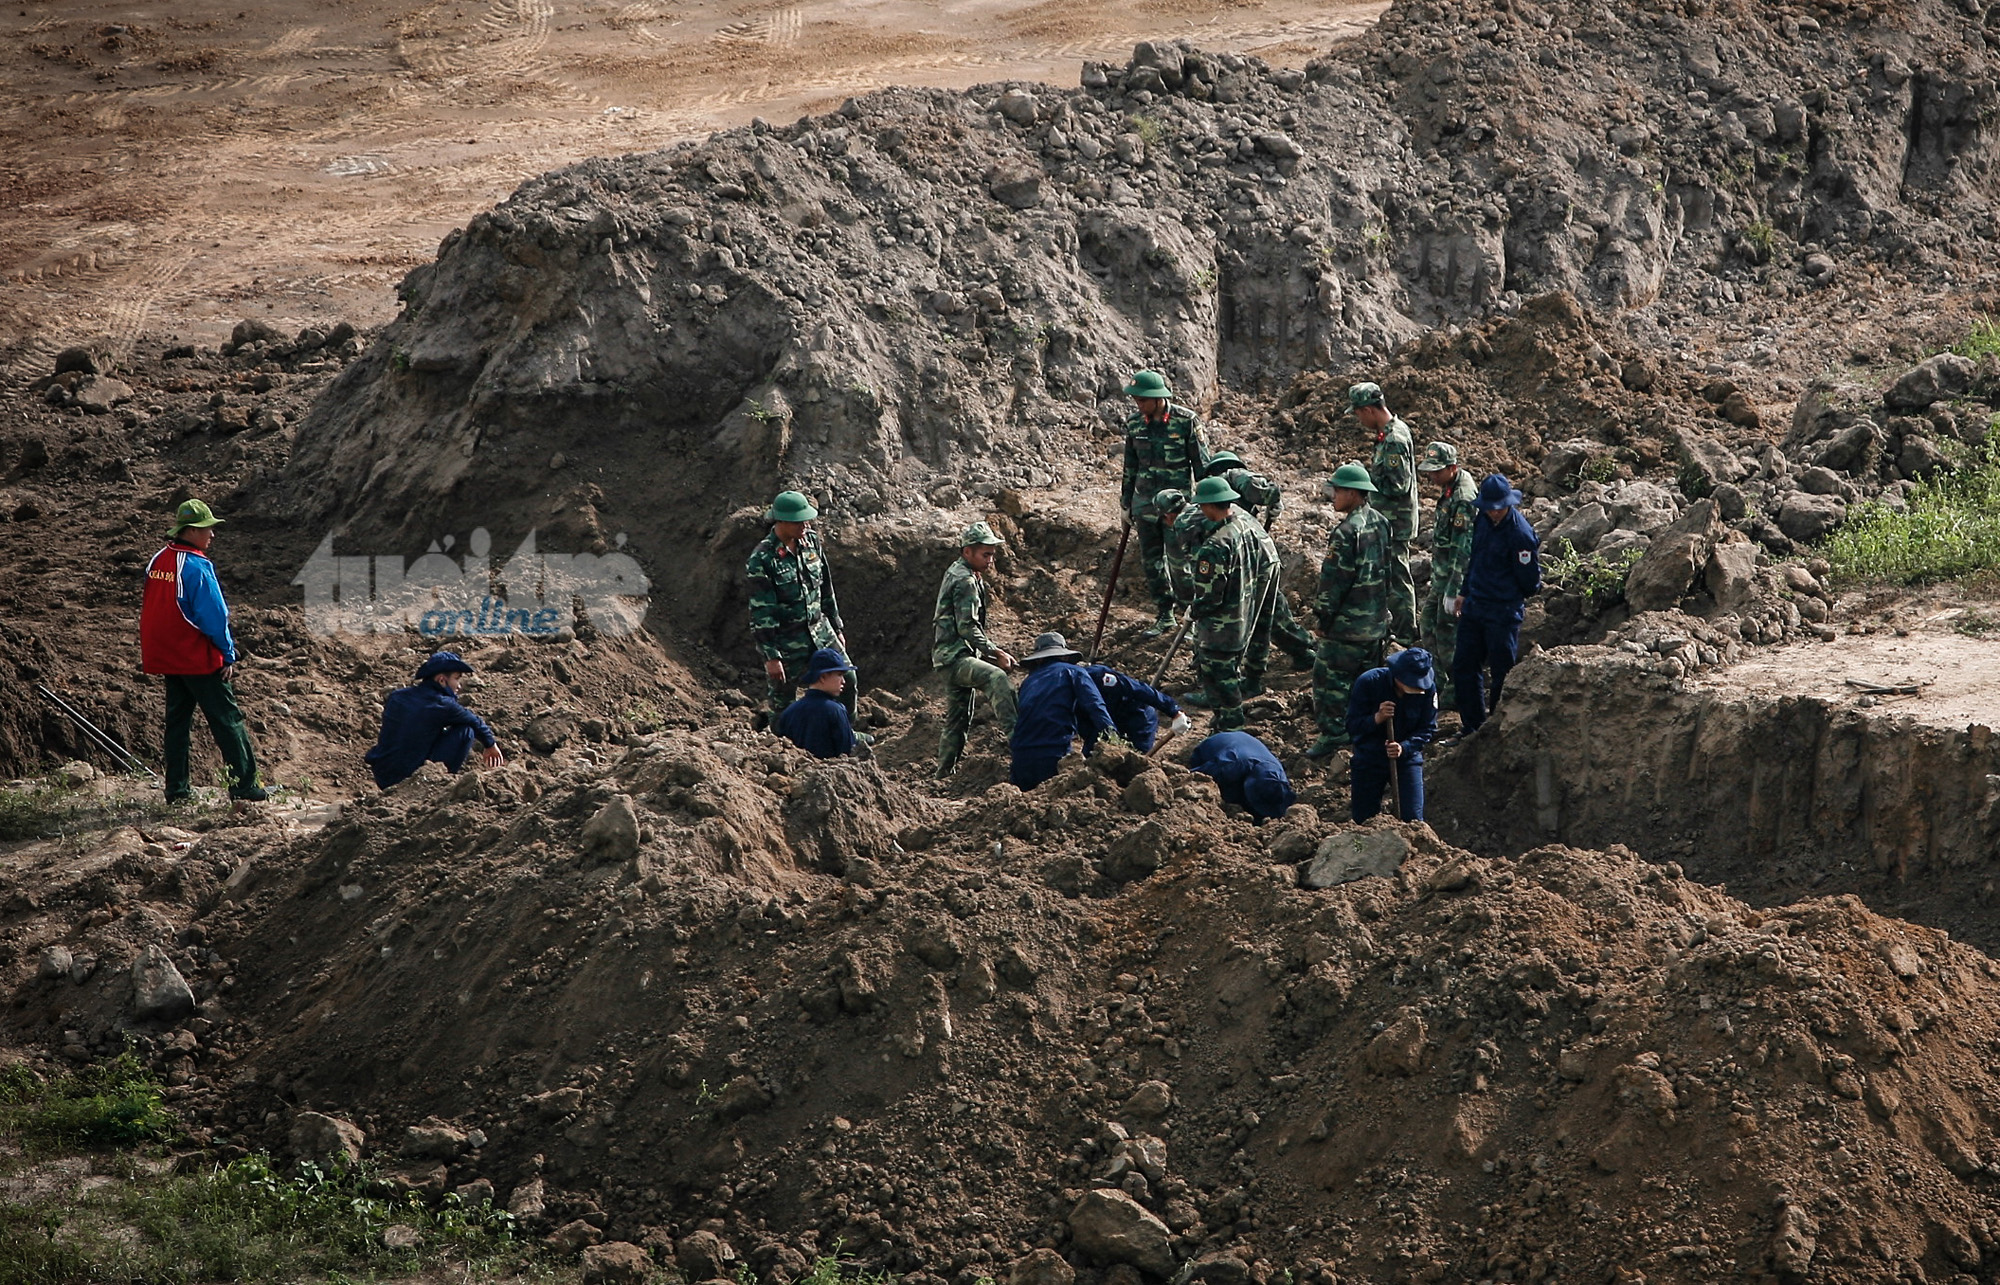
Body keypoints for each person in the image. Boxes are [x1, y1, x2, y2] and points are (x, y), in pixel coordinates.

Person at [140, 499, 267, 803]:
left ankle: (177, 791)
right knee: (227, 720)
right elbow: (215, 615)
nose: (212, 534)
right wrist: (227, 653)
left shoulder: (159, 560)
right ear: (192, 530)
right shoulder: (196, 566)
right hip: (197, 657)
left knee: (177, 724)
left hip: (168, 657)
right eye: (208, 528)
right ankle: (245, 788)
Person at [746, 490, 853, 728]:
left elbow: (826, 586)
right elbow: (761, 612)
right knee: (783, 701)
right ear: (781, 521)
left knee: (848, 679)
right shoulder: (762, 559)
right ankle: (783, 748)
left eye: (806, 520)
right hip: (787, 639)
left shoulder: (811, 541)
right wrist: (771, 656)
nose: (805, 525)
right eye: (798, 521)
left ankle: (843, 733)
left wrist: (836, 626)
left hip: (820, 629)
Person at [1306, 464, 1391, 760]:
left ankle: (1334, 734)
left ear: (1354, 494)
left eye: (1339, 490)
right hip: (1374, 623)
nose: (1333, 496)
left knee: (1329, 682)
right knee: (1366, 682)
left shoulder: (1344, 533)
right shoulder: (1381, 523)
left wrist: (1322, 619)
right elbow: (1387, 572)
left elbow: (1333, 583)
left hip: (1346, 627)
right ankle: (1366, 729)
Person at [1120, 370, 1211, 637]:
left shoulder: (1186, 422)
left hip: (1177, 508)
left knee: (1180, 563)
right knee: (1152, 563)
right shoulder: (1135, 424)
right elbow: (1130, 466)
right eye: (1136, 400)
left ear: (1159, 398)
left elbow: (1202, 466)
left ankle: (1190, 619)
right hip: (1144, 505)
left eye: (1142, 400)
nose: (1138, 405)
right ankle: (1164, 615)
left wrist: (1204, 507)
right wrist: (1125, 504)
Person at [1451, 473, 1543, 736]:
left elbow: (1530, 581)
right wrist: (1465, 591)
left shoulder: (1520, 534)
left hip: (1502, 612)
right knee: (1464, 666)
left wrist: (1506, 595)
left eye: (1498, 508)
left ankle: (1497, 728)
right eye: (1489, 508)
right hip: (1475, 606)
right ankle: (1472, 727)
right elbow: (1475, 558)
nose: (1493, 513)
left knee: (1502, 672)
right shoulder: (1482, 521)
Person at [933, 521, 1019, 777]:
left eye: (992, 554)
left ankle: (943, 774)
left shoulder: (962, 572)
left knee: (958, 719)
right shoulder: (965, 580)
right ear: (967, 552)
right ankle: (1019, 741)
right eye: (985, 554)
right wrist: (997, 652)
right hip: (954, 658)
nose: (990, 560)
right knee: (997, 678)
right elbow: (967, 627)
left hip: (951, 656)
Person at [1181, 476, 1262, 731]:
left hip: (1219, 628)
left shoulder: (1214, 547)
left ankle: (1231, 725)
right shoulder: (1244, 528)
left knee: (1220, 679)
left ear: (1209, 506)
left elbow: (1210, 595)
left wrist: (1193, 610)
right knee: (1228, 674)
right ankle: (1226, 721)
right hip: (1241, 618)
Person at [364, 651, 505, 789]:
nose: (459, 686)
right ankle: (441, 785)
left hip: (383, 775)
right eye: (456, 678)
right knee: (466, 731)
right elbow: (474, 721)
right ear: (441, 680)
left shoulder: (397, 697)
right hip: (411, 779)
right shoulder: (442, 704)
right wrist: (490, 745)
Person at [1350, 382, 1418, 643]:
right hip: (1389, 519)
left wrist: (1364, 479)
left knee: (1397, 578)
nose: (1358, 420)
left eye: (1358, 413)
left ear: (1368, 410)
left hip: (1395, 521)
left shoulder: (1394, 439)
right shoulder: (1388, 434)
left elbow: (1398, 484)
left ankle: (1405, 634)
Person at [1008, 633, 1114, 789]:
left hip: (1020, 757)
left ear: (1039, 659)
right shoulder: (1074, 672)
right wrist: (1113, 737)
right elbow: (1095, 706)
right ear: (1064, 656)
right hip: (1053, 753)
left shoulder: (1027, 682)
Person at [1346, 647, 1439, 823]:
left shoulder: (1428, 690)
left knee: (1412, 819)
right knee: (1364, 819)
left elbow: (1427, 728)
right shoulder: (1369, 682)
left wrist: (1404, 748)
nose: (1417, 688)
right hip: (1369, 757)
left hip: (1406, 759)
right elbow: (1352, 726)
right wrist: (1377, 718)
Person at [1417, 443, 1479, 680]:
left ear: (1452, 468)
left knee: (1446, 634)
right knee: (1428, 622)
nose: (1432, 476)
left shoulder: (1462, 498)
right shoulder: (1451, 487)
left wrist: (1454, 591)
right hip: (1442, 577)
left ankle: (1456, 685)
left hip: (1453, 581)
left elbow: (1462, 550)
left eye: (1437, 471)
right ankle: (1440, 680)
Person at [1188, 730, 1295, 824]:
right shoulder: (1230, 766)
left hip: (1245, 744)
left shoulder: (1278, 778)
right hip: (1212, 746)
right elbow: (1196, 776)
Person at [1082, 661, 1187, 753]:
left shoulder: (1097, 677)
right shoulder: (1066, 692)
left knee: (1135, 758)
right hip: (1100, 724)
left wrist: (1174, 711)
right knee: (1093, 756)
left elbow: (1138, 689)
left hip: (1135, 717)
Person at [776, 648, 858, 759]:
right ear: (823, 677)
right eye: (839, 674)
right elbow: (848, 752)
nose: (843, 681)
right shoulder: (836, 710)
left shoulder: (789, 712)